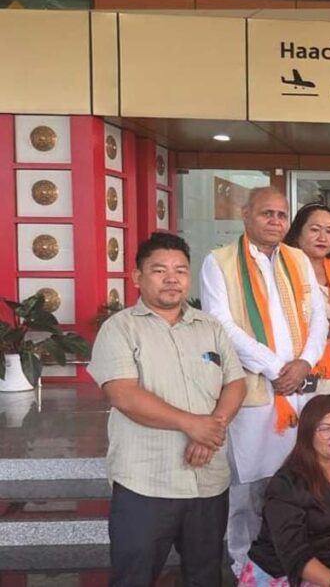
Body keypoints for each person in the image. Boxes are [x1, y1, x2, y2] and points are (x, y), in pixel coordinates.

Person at [88, 232, 246, 586]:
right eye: (159, 270)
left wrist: (211, 429)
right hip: (146, 483)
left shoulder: (210, 326)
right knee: (133, 578)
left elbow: (236, 383)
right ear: (137, 276)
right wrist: (191, 424)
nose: (172, 279)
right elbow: (124, 395)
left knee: (205, 577)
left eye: (180, 270)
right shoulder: (120, 328)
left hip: (207, 482)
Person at [201, 187, 330, 575]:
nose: (275, 221)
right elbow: (221, 325)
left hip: (298, 389)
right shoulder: (219, 262)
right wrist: (276, 368)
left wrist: (305, 362)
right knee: (247, 487)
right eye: (266, 213)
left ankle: (292, 560)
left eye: (281, 214)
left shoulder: (297, 258)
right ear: (246, 214)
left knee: (296, 480)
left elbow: (318, 316)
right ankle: (244, 566)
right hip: (254, 390)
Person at [241, 395, 330, 587]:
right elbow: (294, 553)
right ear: (307, 432)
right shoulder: (287, 483)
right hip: (281, 573)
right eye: (325, 428)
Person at [284, 203, 330, 402]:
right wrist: (322, 328)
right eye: (315, 230)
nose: (323, 237)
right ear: (297, 233)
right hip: (301, 360)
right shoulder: (284, 268)